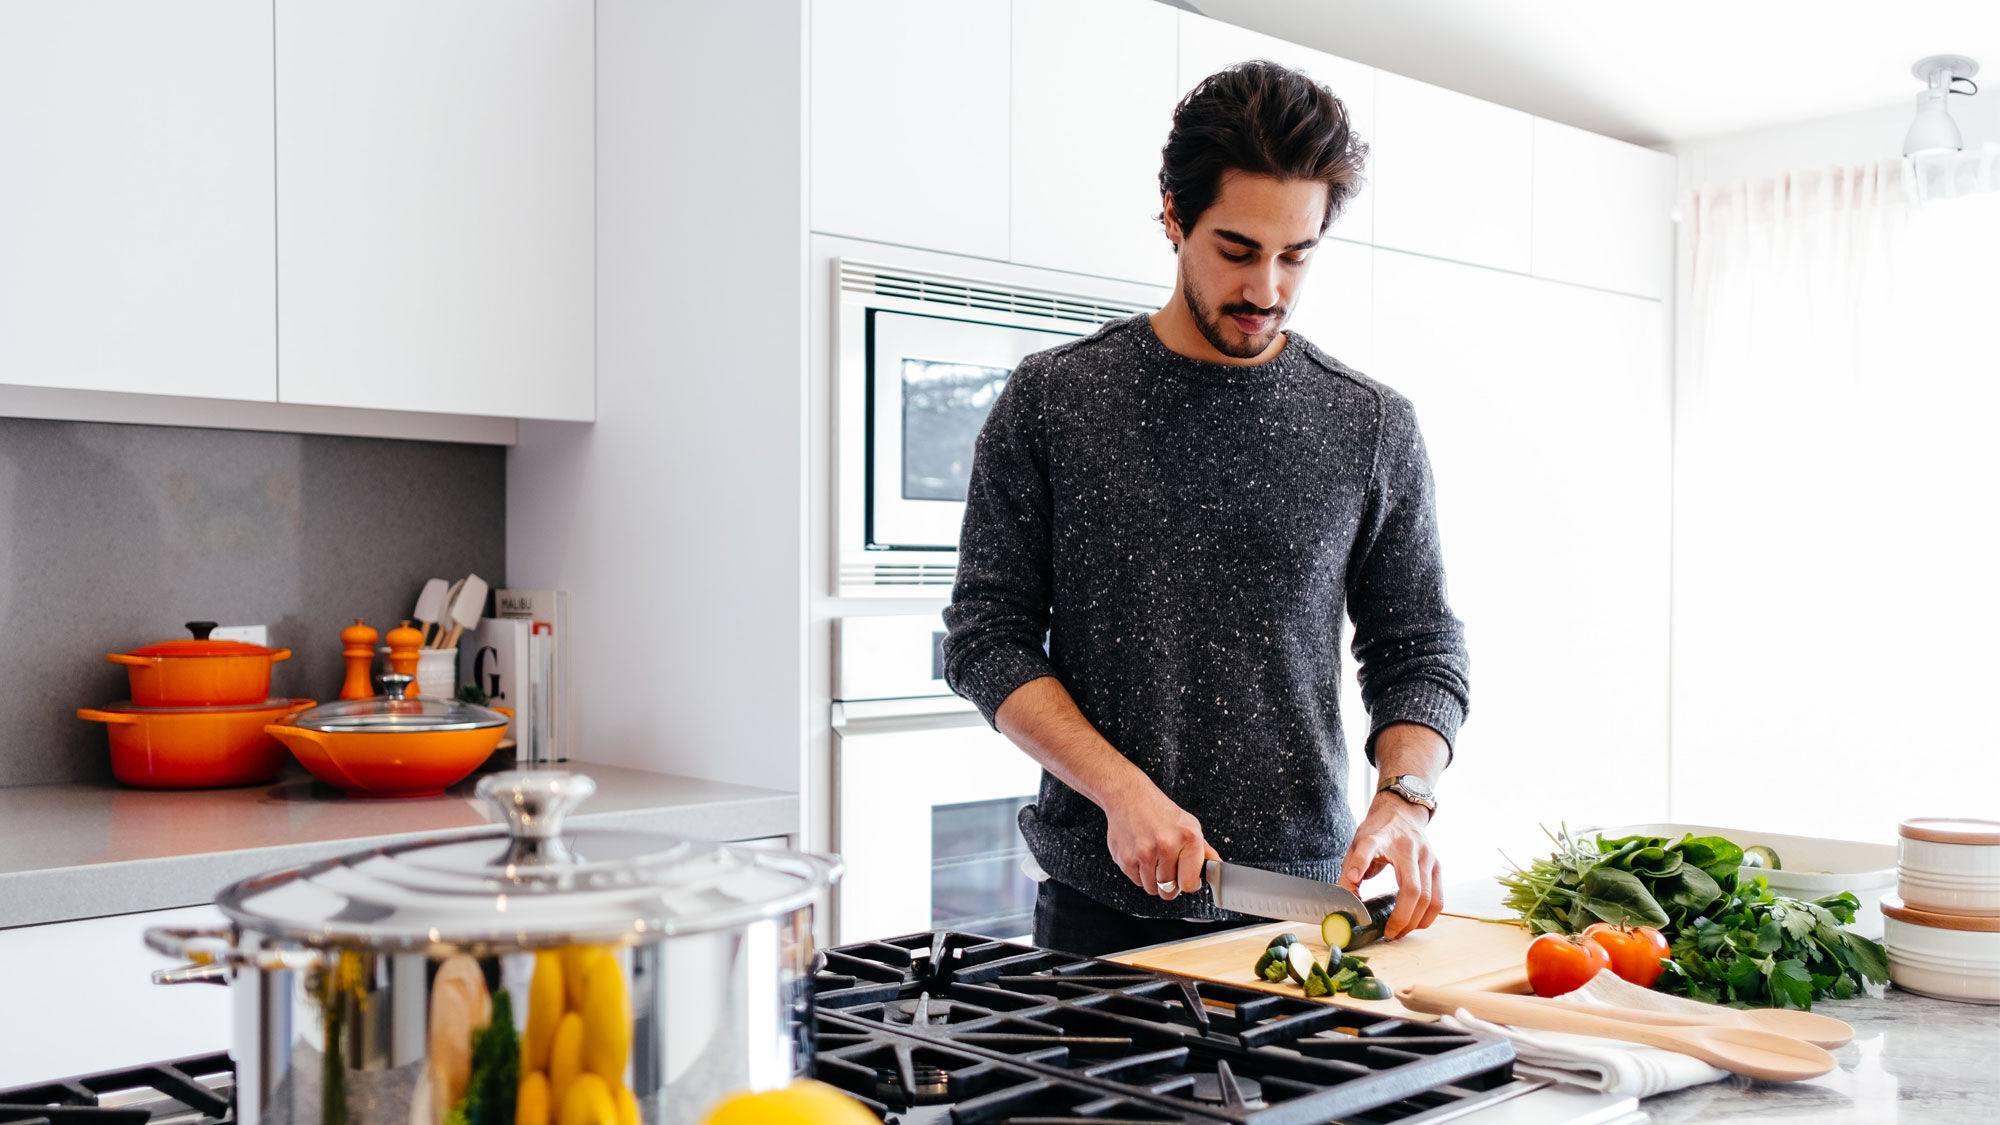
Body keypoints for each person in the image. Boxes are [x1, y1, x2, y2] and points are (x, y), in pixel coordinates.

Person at [939, 60, 1470, 959]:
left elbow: (1420, 646)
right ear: (1174, 216)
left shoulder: (1371, 424)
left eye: (1296, 254)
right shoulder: (1055, 400)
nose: (1267, 288)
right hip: (1097, 917)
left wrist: (1406, 795)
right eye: (1237, 249)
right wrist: (1118, 790)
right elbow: (986, 638)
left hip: (1303, 909)